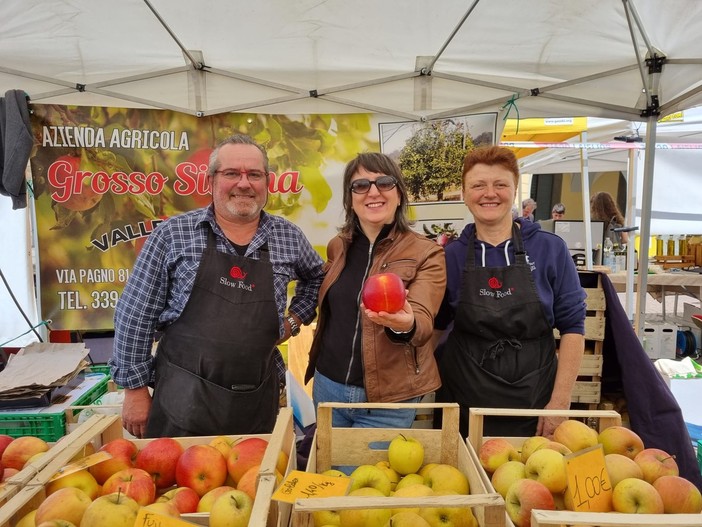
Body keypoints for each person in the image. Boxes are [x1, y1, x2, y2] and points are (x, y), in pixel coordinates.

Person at [111, 134, 324, 438]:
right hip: (181, 401)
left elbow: (318, 278)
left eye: (254, 174)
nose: (244, 183)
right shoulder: (173, 235)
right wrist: (134, 390)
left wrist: (293, 320)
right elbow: (134, 315)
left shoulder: (288, 237)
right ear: (210, 181)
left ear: (267, 182)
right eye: (231, 173)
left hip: (256, 399)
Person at [434, 145, 586, 438]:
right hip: (464, 398)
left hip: (535, 399)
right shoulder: (450, 256)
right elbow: (437, 327)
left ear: (514, 191)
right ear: (465, 195)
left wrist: (559, 402)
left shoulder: (550, 248)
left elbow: (573, 327)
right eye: (478, 185)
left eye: (500, 185)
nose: (489, 193)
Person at [305, 152, 446, 428]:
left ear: (399, 194)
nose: (373, 191)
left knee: (365, 472)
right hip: (328, 389)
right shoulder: (338, 246)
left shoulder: (427, 252)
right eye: (360, 185)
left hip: (387, 402)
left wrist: (405, 324)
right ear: (350, 198)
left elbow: (423, 319)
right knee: (325, 472)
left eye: (384, 182)